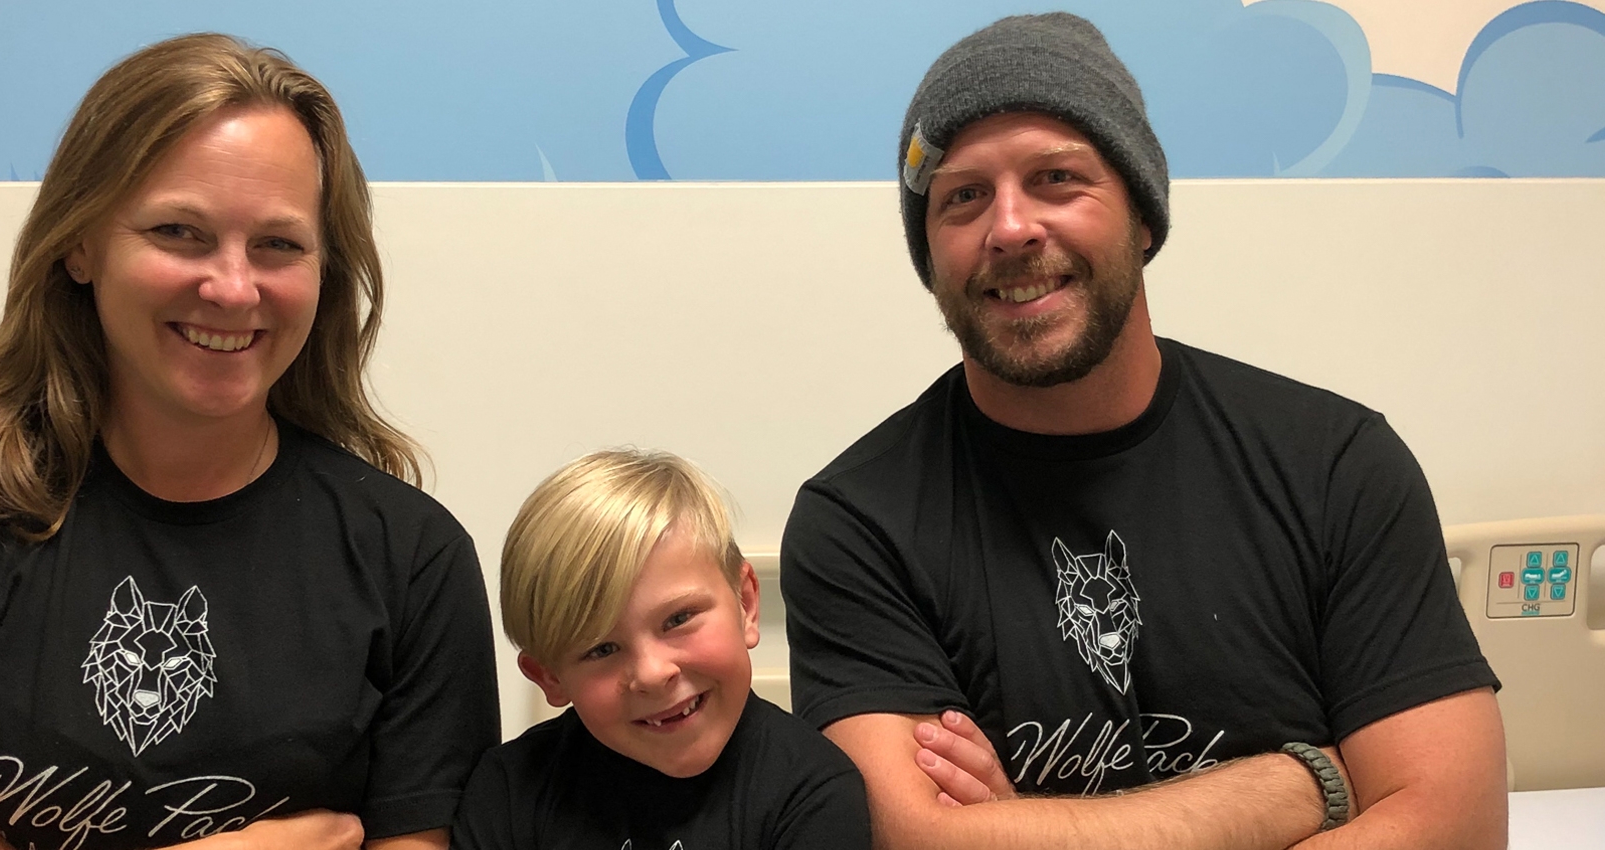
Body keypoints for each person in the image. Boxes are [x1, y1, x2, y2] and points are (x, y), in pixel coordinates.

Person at [779, 12, 1506, 849]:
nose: (1009, 228)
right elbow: (916, 839)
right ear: (933, 256)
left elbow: (1457, 824)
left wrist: (1025, 830)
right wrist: (1293, 786)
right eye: (963, 196)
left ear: (1144, 217)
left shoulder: (1334, 468)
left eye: (1056, 177)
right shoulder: (860, 522)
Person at [0, 33, 499, 850]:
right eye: (179, 231)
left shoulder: (412, 563)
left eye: (279, 244)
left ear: (326, 273)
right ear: (80, 242)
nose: (232, 286)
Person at [452, 450, 870, 849]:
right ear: (550, 677)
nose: (652, 673)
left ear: (745, 603)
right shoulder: (507, 792)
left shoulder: (814, 792)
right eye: (602, 649)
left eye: (678, 619)